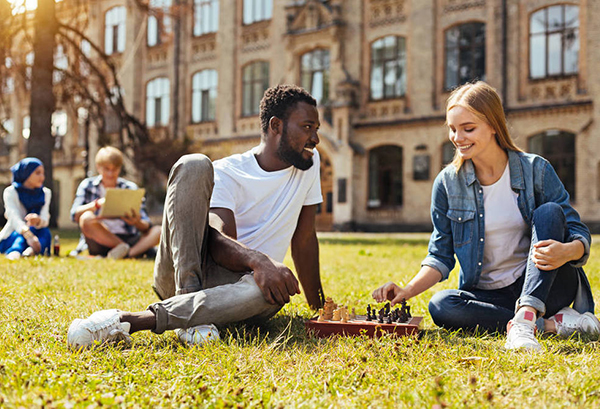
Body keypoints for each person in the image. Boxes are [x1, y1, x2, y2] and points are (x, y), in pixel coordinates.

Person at [67, 84, 325, 349]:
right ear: (276, 126)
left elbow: (304, 240)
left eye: (316, 129)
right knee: (194, 164)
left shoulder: (309, 163)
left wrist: (321, 309)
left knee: (272, 290)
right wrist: (259, 260)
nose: (315, 138)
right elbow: (215, 239)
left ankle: (130, 321)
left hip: (244, 292)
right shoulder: (228, 172)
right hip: (187, 271)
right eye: (307, 127)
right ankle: (182, 302)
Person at [373, 81, 598, 351]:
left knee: (550, 211)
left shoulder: (536, 169)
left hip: (545, 284)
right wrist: (406, 291)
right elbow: (440, 255)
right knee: (442, 305)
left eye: (468, 128)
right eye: (452, 129)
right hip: (490, 297)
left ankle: (527, 316)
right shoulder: (447, 184)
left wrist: (568, 251)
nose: (458, 138)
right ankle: (550, 324)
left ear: (493, 125)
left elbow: (576, 228)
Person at [70, 146, 161, 259]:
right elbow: (74, 215)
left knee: (159, 231)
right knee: (86, 217)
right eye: (106, 169)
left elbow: (146, 226)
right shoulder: (87, 185)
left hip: (128, 236)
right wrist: (97, 204)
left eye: (114, 169)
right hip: (99, 240)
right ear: (98, 167)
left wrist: (136, 222)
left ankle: (127, 253)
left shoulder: (130, 188)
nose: (110, 173)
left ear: (120, 168)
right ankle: (124, 249)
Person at [0, 158, 52, 260]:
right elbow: (13, 217)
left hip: (37, 234)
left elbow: (45, 218)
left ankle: (31, 251)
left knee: (45, 232)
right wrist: (28, 235)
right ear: (26, 173)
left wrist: (38, 220)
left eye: (43, 173)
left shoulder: (45, 193)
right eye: (37, 173)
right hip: (13, 235)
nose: (42, 177)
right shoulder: (11, 192)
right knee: (24, 232)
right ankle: (16, 250)